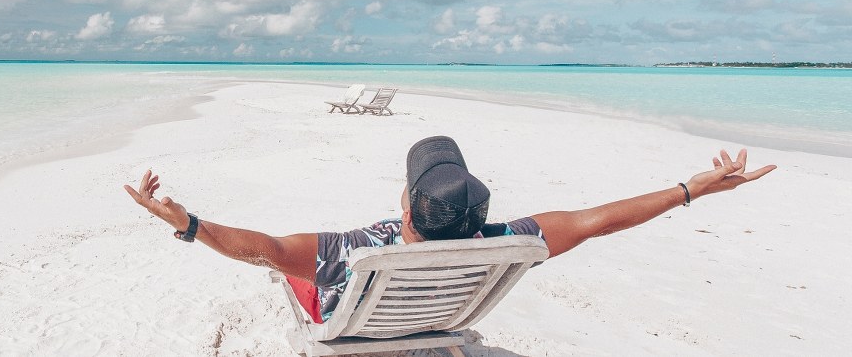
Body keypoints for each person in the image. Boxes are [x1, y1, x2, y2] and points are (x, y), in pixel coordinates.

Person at [124, 136, 775, 323]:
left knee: (289, 274)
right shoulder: (504, 241)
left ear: (407, 210)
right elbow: (597, 221)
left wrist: (187, 224)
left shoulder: (356, 251)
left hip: (362, 310)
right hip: (444, 307)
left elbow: (263, 250)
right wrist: (692, 189)